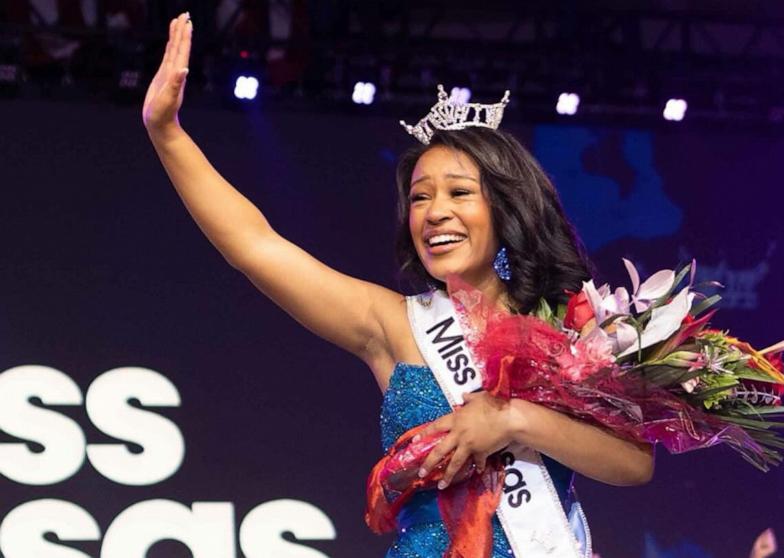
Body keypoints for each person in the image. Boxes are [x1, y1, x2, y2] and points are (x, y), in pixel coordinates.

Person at [142, 12, 654, 558]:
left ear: (508, 209)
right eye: (419, 197)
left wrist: (514, 419)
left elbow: (633, 463)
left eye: (458, 194)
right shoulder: (393, 323)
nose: (434, 213)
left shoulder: (572, 329)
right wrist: (166, 133)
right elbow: (255, 245)